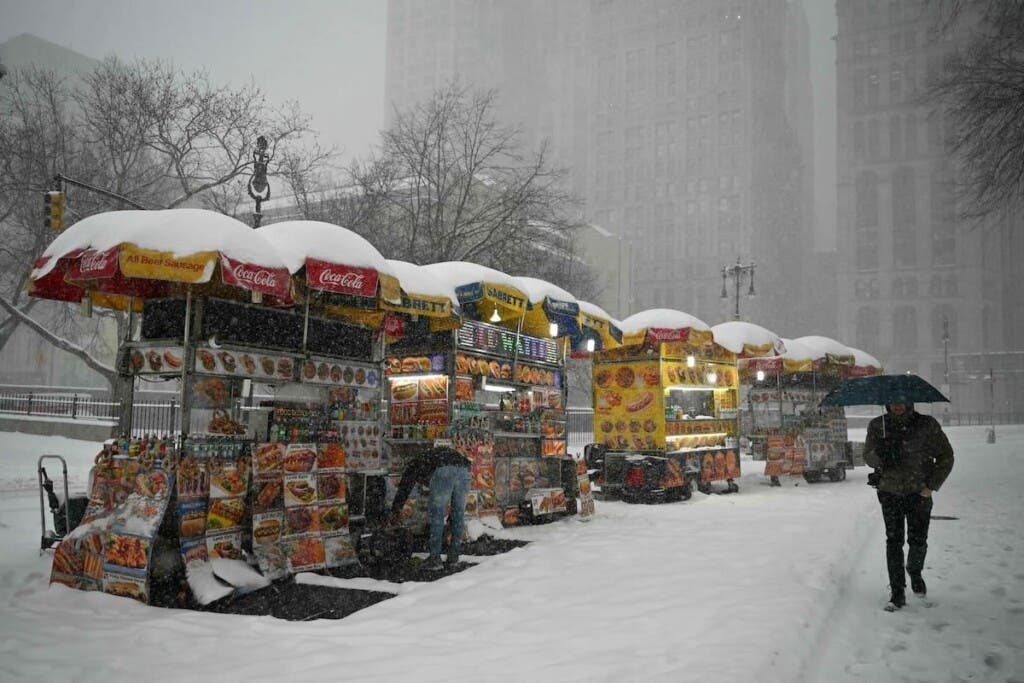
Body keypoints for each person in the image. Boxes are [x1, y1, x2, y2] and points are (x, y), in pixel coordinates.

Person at [863, 402, 954, 611]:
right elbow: (868, 456)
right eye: (893, 401)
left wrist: (931, 485)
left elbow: (946, 456)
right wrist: (881, 452)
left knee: (918, 539)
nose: (897, 406)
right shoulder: (878, 425)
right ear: (887, 403)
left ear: (910, 401)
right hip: (890, 492)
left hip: (919, 492)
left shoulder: (926, 425)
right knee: (894, 542)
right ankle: (897, 591)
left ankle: (914, 570)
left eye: (901, 401)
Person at [387, 445, 472, 571]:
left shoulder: (414, 466)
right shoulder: (429, 458)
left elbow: (404, 488)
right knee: (458, 515)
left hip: (445, 469)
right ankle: (454, 557)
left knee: (437, 515)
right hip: (465, 469)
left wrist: (395, 509)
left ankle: (435, 560)